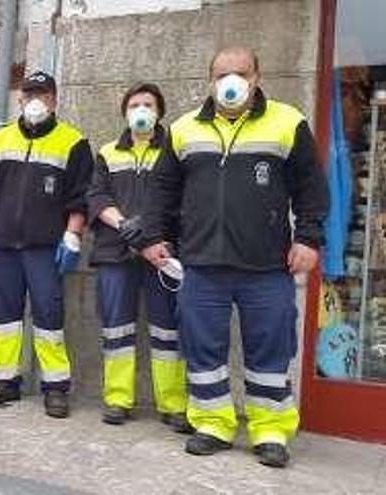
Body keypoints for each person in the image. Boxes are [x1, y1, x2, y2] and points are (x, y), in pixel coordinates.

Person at [141, 47, 328, 467]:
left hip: (267, 266)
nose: (232, 81)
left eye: (241, 73)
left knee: (271, 350)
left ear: (257, 76)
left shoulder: (288, 122)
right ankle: (212, 423)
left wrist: (310, 239)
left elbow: (311, 189)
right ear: (210, 80)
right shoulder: (184, 129)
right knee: (203, 348)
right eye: (223, 74)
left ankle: (270, 430)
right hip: (202, 265)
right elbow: (162, 191)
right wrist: (153, 236)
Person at [0, 71, 94, 418]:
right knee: (6, 317)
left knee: (48, 315)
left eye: (43, 94)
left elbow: (80, 197)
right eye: (29, 93)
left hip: (45, 248)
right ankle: (5, 381)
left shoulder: (74, 142)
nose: (36, 100)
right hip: (4, 246)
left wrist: (72, 236)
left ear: (55, 99)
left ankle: (55, 387)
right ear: (20, 99)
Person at [87, 82, 191, 432]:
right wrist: (123, 225)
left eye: (148, 104)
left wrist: (149, 232)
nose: (141, 110)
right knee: (117, 328)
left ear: (159, 111)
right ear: (124, 112)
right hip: (115, 252)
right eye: (134, 105)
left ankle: (173, 403)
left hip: (161, 252)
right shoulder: (107, 152)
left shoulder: (174, 150)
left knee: (167, 331)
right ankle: (117, 399)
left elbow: (178, 201)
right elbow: (97, 197)